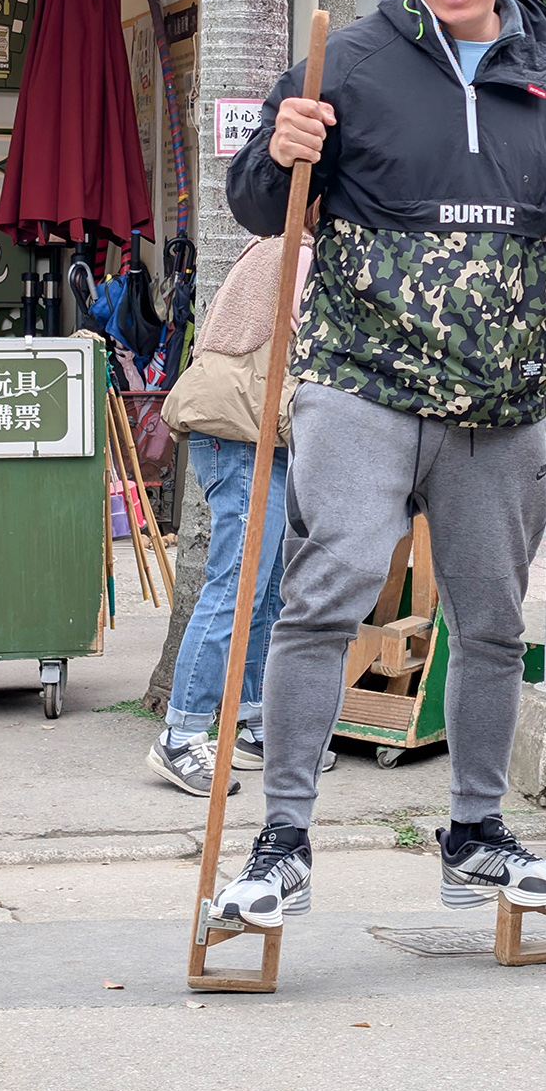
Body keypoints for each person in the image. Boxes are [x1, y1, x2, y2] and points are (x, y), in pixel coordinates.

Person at [216, 0, 546, 924]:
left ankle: (477, 834)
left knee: (491, 617)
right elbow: (261, 207)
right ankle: (281, 842)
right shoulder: (347, 61)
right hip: (360, 381)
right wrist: (278, 151)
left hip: (499, 400)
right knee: (328, 592)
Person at [148, 223, 334, 793]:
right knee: (237, 585)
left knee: (267, 585)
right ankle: (181, 736)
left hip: (253, 432)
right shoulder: (297, 255)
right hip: (240, 434)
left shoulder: (275, 248)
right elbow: (326, 342)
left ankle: (252, 723)